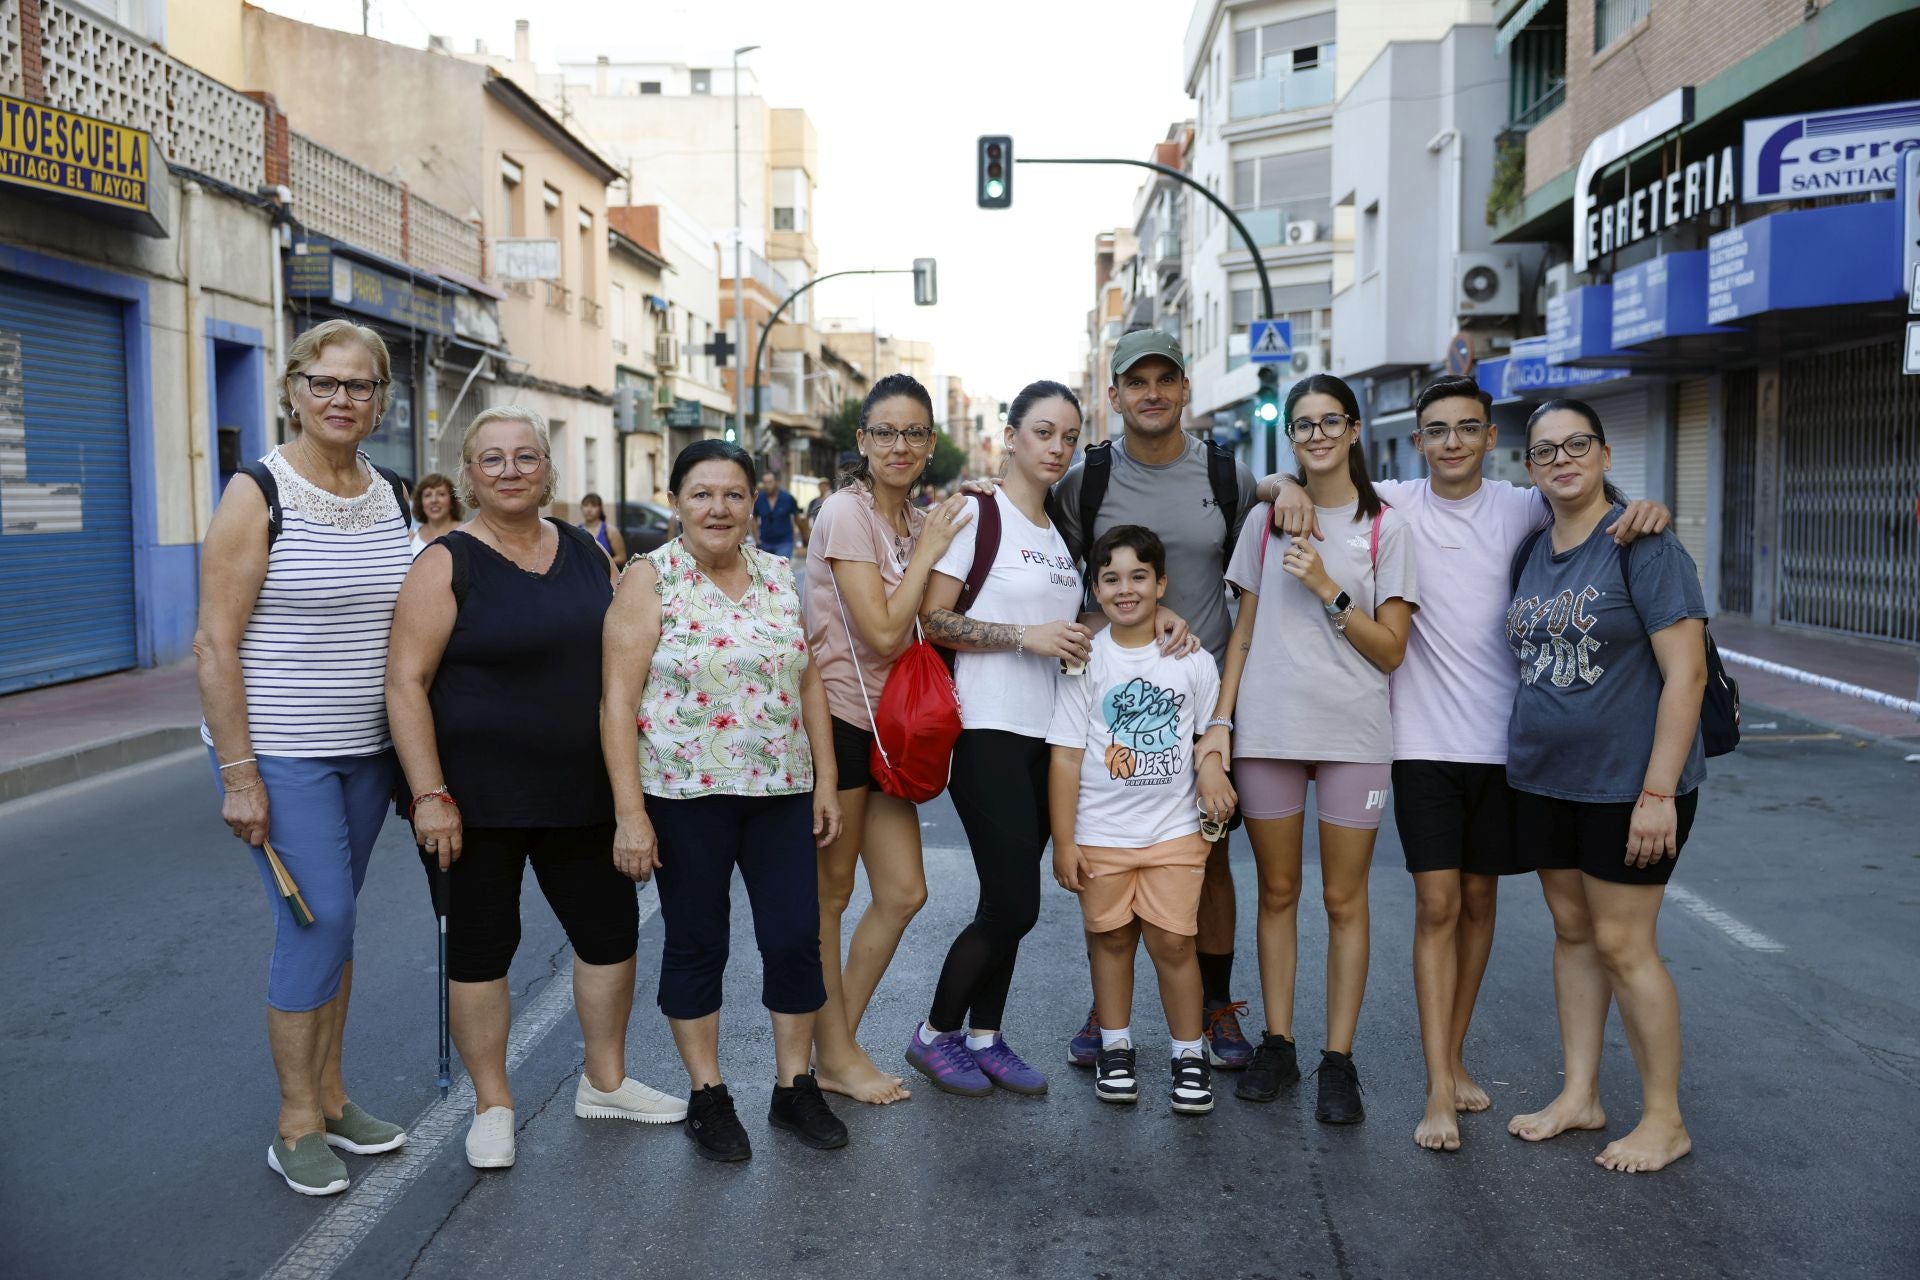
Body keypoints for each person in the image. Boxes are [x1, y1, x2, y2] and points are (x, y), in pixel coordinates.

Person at [1259, 375, 1671, 1151]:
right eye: (1437, 430)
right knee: (1438, 905)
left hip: (1506, 745)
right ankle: (1437, 1089)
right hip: (1419, 742)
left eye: (1467, 428)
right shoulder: (1395, 503)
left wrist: (1646, 508)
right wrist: (1281, 483)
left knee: (1480, 903)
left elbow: (1593, 500)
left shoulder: (1521, 505)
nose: (1452, 442)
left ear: (1490, 437)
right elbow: (1310, 471)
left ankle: (1452, 1057)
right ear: (1417, 441)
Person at [386, 406, 684, 1172]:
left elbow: (627, 657)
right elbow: (405, 683)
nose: (510, 470)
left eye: (525, 456)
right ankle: (493, 1104)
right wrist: (428, 794)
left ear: (548, 469)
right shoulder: (444, 563)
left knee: (610, 935)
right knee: (482, 949)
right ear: (469, 474)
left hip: (582, 790)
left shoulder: (585, 550)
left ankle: (605, 1080)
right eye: (492, 458)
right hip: (473, 802)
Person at [194, 318, 414, 1197]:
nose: (340, 398)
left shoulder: (390, 493)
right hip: (280, 751)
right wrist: (239, 775)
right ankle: (294, 1124)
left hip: (368, 751)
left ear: (381, 400)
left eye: (358, 385)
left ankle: (331, 1096)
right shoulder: (258, 491)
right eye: (323, 382)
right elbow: (215, 643)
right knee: (317, 921)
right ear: (293, 390)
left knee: (337, 922)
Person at [601, 439, 850, 1162]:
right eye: (702, 494)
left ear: (753, 503)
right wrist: (629, 814)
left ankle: (794, 1087)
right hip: (685, 797)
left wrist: (825, 779)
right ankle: (708, 1095)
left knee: (794, 937)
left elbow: (808, 680)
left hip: (780, 792)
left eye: (734, 494)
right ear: (676, 502)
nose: (719, 508)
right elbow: (617, 703)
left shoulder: (777, 575)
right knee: (697, 941)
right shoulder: (649, 580)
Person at [1199, 373, 1417, 1125]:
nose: (1318, 435)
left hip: (1355, 733)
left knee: (1344, 899)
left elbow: (1391, 650)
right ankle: (1280, 1042)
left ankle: (1339, 1059)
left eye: (1330, 421)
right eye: (1304, 424)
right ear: (1290, 437)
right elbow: (1243, 634)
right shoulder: (1266, 522)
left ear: (1354, 429)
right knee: (1279, 892)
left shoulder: (1386, 528)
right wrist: (1221, 723)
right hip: (1270, 731)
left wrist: (1329, 588)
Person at [1503, 398, 1707, 1174]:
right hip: (1547, 780)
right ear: (1529, 467)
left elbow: (1686, 675)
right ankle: (1580, 1095)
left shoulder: (1643, 544)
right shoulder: (1531, 551)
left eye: (1577, 444)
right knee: (1574, 933)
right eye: (1546, 450)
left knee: (1625, 943)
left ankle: (1665, 1119)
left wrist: (1658, 794)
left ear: (1605, 454)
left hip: (1630, 786)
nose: (1562, 460)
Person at [1051, 329, 1258, 1071]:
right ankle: (1106, 1011)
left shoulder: (1228, 474)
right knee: (1110, 857)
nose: (1152, 393)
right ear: (1114, 395)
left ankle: (1215, 1005)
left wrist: (1287, 486)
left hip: (1206, 698)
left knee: (1209, 858)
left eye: (1164, 379)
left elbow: (1256, 559)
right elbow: (1061, 582)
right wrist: (1124, 622)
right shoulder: (1087, 480)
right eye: (1136, 382)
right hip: (1115, 696)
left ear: (1184, 389)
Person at [905, 380, 1093, 1096]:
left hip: (1049, 736)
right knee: (1016, 903)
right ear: (1010, 437)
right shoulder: (977, 515)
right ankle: (934, 1033)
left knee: (1003, 903)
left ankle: (985, 1036)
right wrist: (1024, 636)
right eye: (1043, 432)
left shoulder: (1061, 532)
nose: (1057, 448)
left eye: (1069, 436)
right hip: (986, 732)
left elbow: (1068, 627)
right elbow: (933, 619)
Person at [804, 373, 974, 1105]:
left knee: (903, 893)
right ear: (862, 441)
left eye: (913, 433)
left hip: (892, 728)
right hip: (843, 721)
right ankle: (836, 1055)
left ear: (931, 443)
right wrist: (932, 547)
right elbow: (880, 632)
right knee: (832, 894)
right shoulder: (848, 514)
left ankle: (831, 1046)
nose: (899, 445)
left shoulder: (914, 518)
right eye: (885, 432)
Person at [1048, 526, 1234, 1114]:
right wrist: (1063, 841)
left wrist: (1212, 767)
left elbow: (1209, 733)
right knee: (1110, 941)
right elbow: (1065, 756)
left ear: (1161, 584)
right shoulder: (1085, 660)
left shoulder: (1192, 660)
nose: (1125, 589)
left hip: (1174, 832)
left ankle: (1188, 1054)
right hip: (1100, 834)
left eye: (1138, 576)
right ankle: (1115, 1046)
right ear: (1095, 589)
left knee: (1175, 943)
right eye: (1110, 578)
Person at [752, 472, 808, 560]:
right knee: (765, 568)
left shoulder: (788, 498)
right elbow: (753, 518)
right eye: (765, 482)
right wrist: (757, 538)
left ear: (776, 482)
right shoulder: (759, 499)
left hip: (784, 543)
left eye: (770, 482)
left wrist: (804, 537)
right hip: (765, 543)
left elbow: (797, 519)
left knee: (781, 567)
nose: (767, 485)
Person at [410, 472, 462, 558]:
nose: (434, 500)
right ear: (420, 503)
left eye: (441, 494)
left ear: (452, 501)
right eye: (427, 495)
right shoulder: (411, 537)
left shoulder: (466, 534)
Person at [577, 492, 628, 565]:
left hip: (604, 572)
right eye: (586, 505)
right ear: (581, 508)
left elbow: (622, 558)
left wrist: (599, 564)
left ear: (600, 509)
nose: (589, 509)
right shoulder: (576, 531)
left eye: (594, 506)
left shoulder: (610, 531)